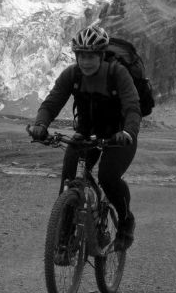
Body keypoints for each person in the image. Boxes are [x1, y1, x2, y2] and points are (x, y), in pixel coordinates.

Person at [28, 25, 141, 250]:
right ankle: (64, 241)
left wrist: (128, 132)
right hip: (88, 134)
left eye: (90, 56)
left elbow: (132, 108)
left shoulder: (117, 73)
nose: (85, 61)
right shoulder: (72, 74)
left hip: (119, 136)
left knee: (108, 178)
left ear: (100, 56)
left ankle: (126, 221)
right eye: (81, 56)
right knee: (69, 181)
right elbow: (52, 102)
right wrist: (41, 124)